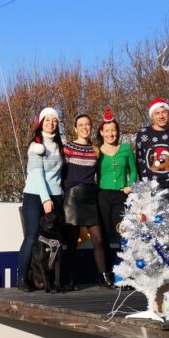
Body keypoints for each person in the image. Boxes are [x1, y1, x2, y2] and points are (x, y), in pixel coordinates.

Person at [16, 107, 64, 292]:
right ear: (41, 123)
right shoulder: (36, 145)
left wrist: (60, 196)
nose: (51, 123)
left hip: (56, 195)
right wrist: (45, 199)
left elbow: (59, 174)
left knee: (58, 239)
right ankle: (22, 277)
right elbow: (37, 174)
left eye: (55, 120)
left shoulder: (60, 145)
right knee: (32, 236)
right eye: (47, 120)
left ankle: (56, 281)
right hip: (35, 195)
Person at [62, 113, 108, 290]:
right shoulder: (68, 147)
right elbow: (62, 172)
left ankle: (103, 277)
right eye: (80, 124)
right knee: (72, 241)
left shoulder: (96, 150)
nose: (84, 127)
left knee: (98, 238)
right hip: (73, 195)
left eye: (87, 124)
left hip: (90, 196)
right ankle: (71, 280)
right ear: (75, 128)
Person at [96, 108, 135, 286]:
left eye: (114, 130)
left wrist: (130, 186)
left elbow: (134, 171)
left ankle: (125, 274)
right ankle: (106, 275)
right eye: (107, 130)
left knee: (123, 234)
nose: (111, 134)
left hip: (121, 196)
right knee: (103, 236)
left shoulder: (126, 149)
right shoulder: (97, 151)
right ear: (101, 132)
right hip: (102, 196)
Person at [133, 98, 169, 219]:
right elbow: (139, 160)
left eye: (163, 112)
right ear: (152, 116)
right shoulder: (143, 134)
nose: (161, 116)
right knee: (150, 225)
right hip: (150, 188)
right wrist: (143, 185)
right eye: (157, 113)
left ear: (168, 113)